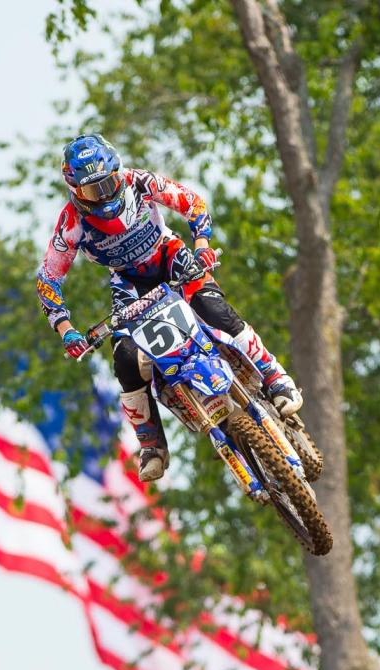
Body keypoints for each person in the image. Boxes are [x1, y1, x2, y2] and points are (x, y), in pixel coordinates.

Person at [36, 133, 302, 482]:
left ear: (118, 171)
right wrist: (66, 329)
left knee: (213, 308)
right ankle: (151, 445)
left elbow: (191, 202)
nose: (104, 195)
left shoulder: (140, 182)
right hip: (129, 284)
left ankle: (275, 378)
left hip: (168, 255)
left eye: (109, 182)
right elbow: (48, 278)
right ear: (74, 192)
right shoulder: (72, 222)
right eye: (92, 191)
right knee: (126, 358)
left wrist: (202, 244)